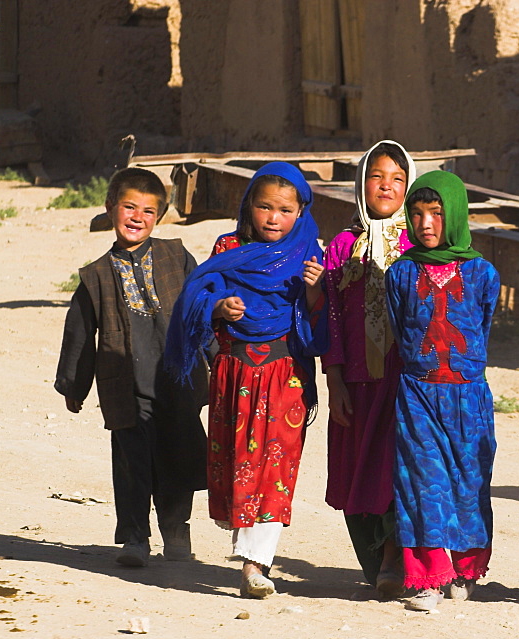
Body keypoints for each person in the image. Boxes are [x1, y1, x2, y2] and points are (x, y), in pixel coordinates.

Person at [164, 162, 328, 598]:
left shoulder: (310, 254)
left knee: (276, 465)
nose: (274, 218)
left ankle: (256, 566)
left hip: (285, 374)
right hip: (234, 374)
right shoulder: (228, 246)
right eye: (264, 206)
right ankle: (245, 547)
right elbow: (199, 295)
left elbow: (319, 330)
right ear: (248, 206)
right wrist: (219, 308)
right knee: (238, 462)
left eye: (285, 209)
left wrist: (315, 291)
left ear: (301, 211)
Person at [55, 167, 207, 567]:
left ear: (161, 216)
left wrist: (213, 357)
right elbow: (80, 332)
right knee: (132, 463)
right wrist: (75, 385)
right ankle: (135, 538)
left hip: (178, 379)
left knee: (178, 454)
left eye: (149, 210)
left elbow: (200, 307)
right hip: (125, 383)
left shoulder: (176, 255)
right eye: (129, 207)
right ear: (110, 209)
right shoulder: (97, 275)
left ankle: (176, 530)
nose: (138, 217)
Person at [384, 170, 500, 611]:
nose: (425, 223)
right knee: (422, 482)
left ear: (454, 216)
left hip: (469, 396)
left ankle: (467, 567)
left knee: (470, 481)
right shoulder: (400, 273)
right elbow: (399, 327)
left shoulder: (484, 273)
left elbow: (483, 326)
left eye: (436, 213)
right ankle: (428, 577)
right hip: (417, 393)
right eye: (416, 214)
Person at [323, 140, 416, 596]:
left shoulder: (417, 242)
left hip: (403, 379)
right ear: (362, 183)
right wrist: (334, 376)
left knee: (396, 468)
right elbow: (334, 316)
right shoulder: (343, 245)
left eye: (397, 179)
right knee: (355, 468)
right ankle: (372, 557)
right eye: (377, 176)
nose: (386, 186)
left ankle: (394, 557)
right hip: (357, 379)